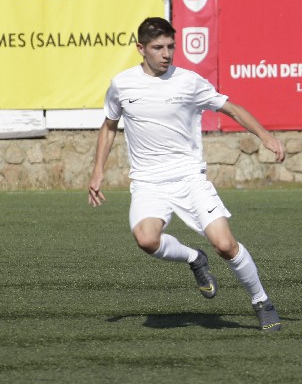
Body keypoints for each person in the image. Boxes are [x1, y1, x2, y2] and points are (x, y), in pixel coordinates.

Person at [88, 17, 286, 331]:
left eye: (170, 46)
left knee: (225, 245)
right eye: (158, 47)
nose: (166, 54)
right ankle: (194, 258)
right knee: (146, 240)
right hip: (148, 183)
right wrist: (97, 171)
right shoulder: (122, 84)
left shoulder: (189, 82)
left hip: (190, 179)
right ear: (140, 48)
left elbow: (231, 108)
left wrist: (265, 135)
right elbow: (109, 126)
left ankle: (261, 300)